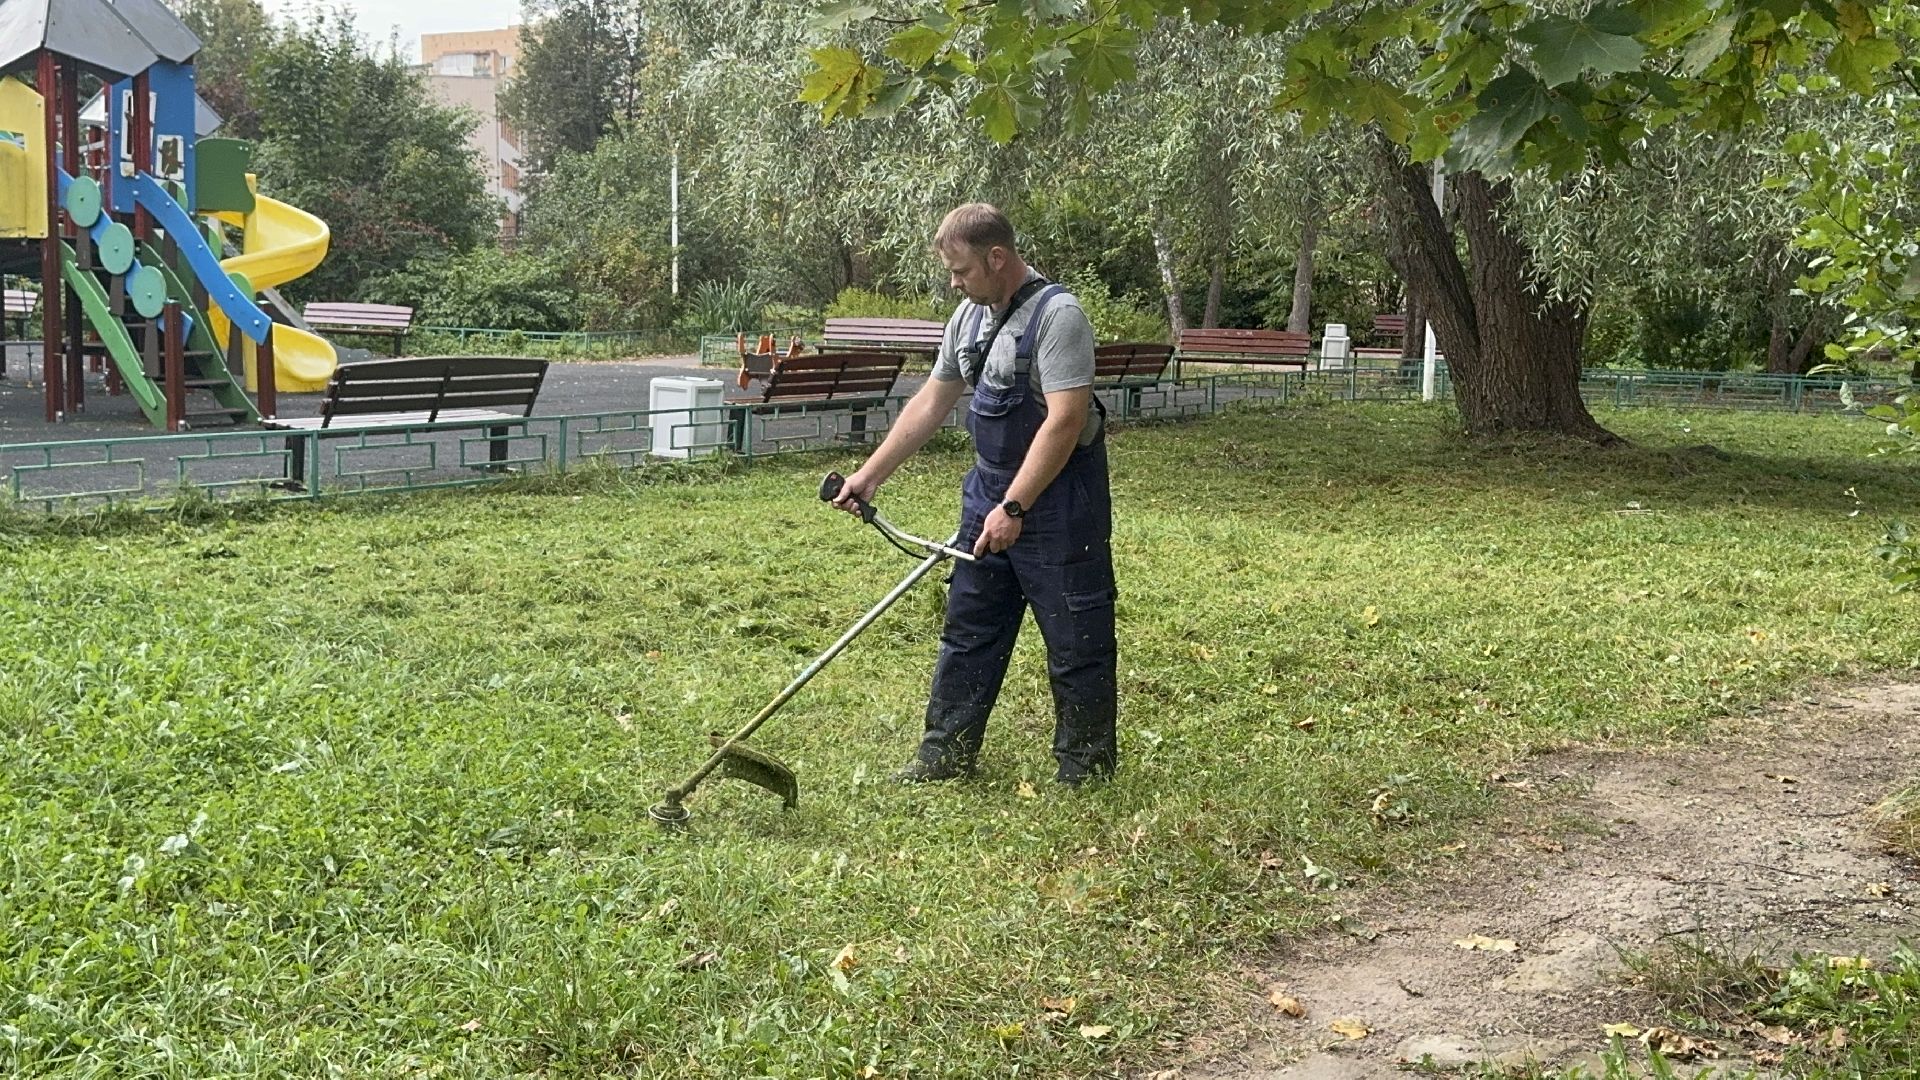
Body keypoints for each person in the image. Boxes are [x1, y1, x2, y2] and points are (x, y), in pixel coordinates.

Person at [831, 203, 1118, 786]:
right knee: (970, 629)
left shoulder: (1059, 318)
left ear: (997, 257)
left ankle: (1085, 773)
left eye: (961, 271)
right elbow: (931, 403)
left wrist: (1016, 507)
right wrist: (870, 475)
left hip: (1060, 502)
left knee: (1075, 637)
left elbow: (1063, 422)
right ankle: (945, 757)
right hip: (988, 492)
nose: (955, 283)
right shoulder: (968, 318)